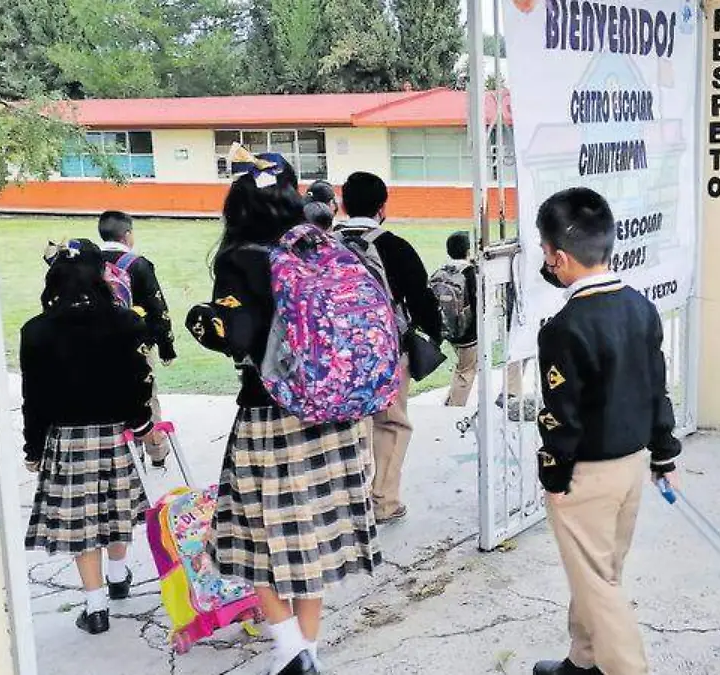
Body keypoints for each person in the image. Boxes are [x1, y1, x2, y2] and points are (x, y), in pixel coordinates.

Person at [185, 151, 378, 675]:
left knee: (258, 538)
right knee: (311, 536)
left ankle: (291, 651)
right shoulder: (322, 246)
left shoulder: (239, 260)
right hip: (333, 413)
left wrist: (203, 321)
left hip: (271, 416)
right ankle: (305, 651)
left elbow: (240, 337)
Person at [532, 187, 681, 675]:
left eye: (544, 252)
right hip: (630, 468)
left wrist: (553, 476)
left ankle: (624, 668)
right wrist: (664, 455)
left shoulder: (565, 326)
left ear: (558, 257)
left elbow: (562, 416)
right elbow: (658, 387)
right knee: (600, 571)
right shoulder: (640, 306)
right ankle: (585, 658)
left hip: (586, 474)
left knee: (598, 584)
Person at [21, 238, 163, 635]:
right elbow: (139, 380)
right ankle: (118, 576)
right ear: (101, 276)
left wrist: (33, 449)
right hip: (115, 436)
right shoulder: (124, 322)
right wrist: (141, 423)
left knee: (83, 525)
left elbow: (34, 397)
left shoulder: (36, 331)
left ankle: (95, 607)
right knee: (116, 513)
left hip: (66, 440)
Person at [337, 171, 443, 523]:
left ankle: (343, 503)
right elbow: (423, 300)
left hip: (334, 356)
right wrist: (432, 336)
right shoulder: (396, 247)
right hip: (386, 353)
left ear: (342, 203)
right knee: (391, 423)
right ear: (383, 206)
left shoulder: (323, 245)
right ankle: (383, 502)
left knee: (343, 425)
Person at [97, 210, 177, 465]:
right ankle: (156, 453)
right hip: (136, 344)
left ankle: (120, 452)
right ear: (127, 234)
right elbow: (158, 308)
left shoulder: (89, 262)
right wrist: (166, 346)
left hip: (98, 342)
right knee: (145, 393)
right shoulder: (137, 264)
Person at [440, 230, 523, 408]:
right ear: (468, 251)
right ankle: (454, 407)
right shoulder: (470, 273)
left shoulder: (444, 270)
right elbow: (481, 301)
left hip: (450, 329)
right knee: (466, 372)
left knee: (463, 366)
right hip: (469, 333)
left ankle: (451, 401)